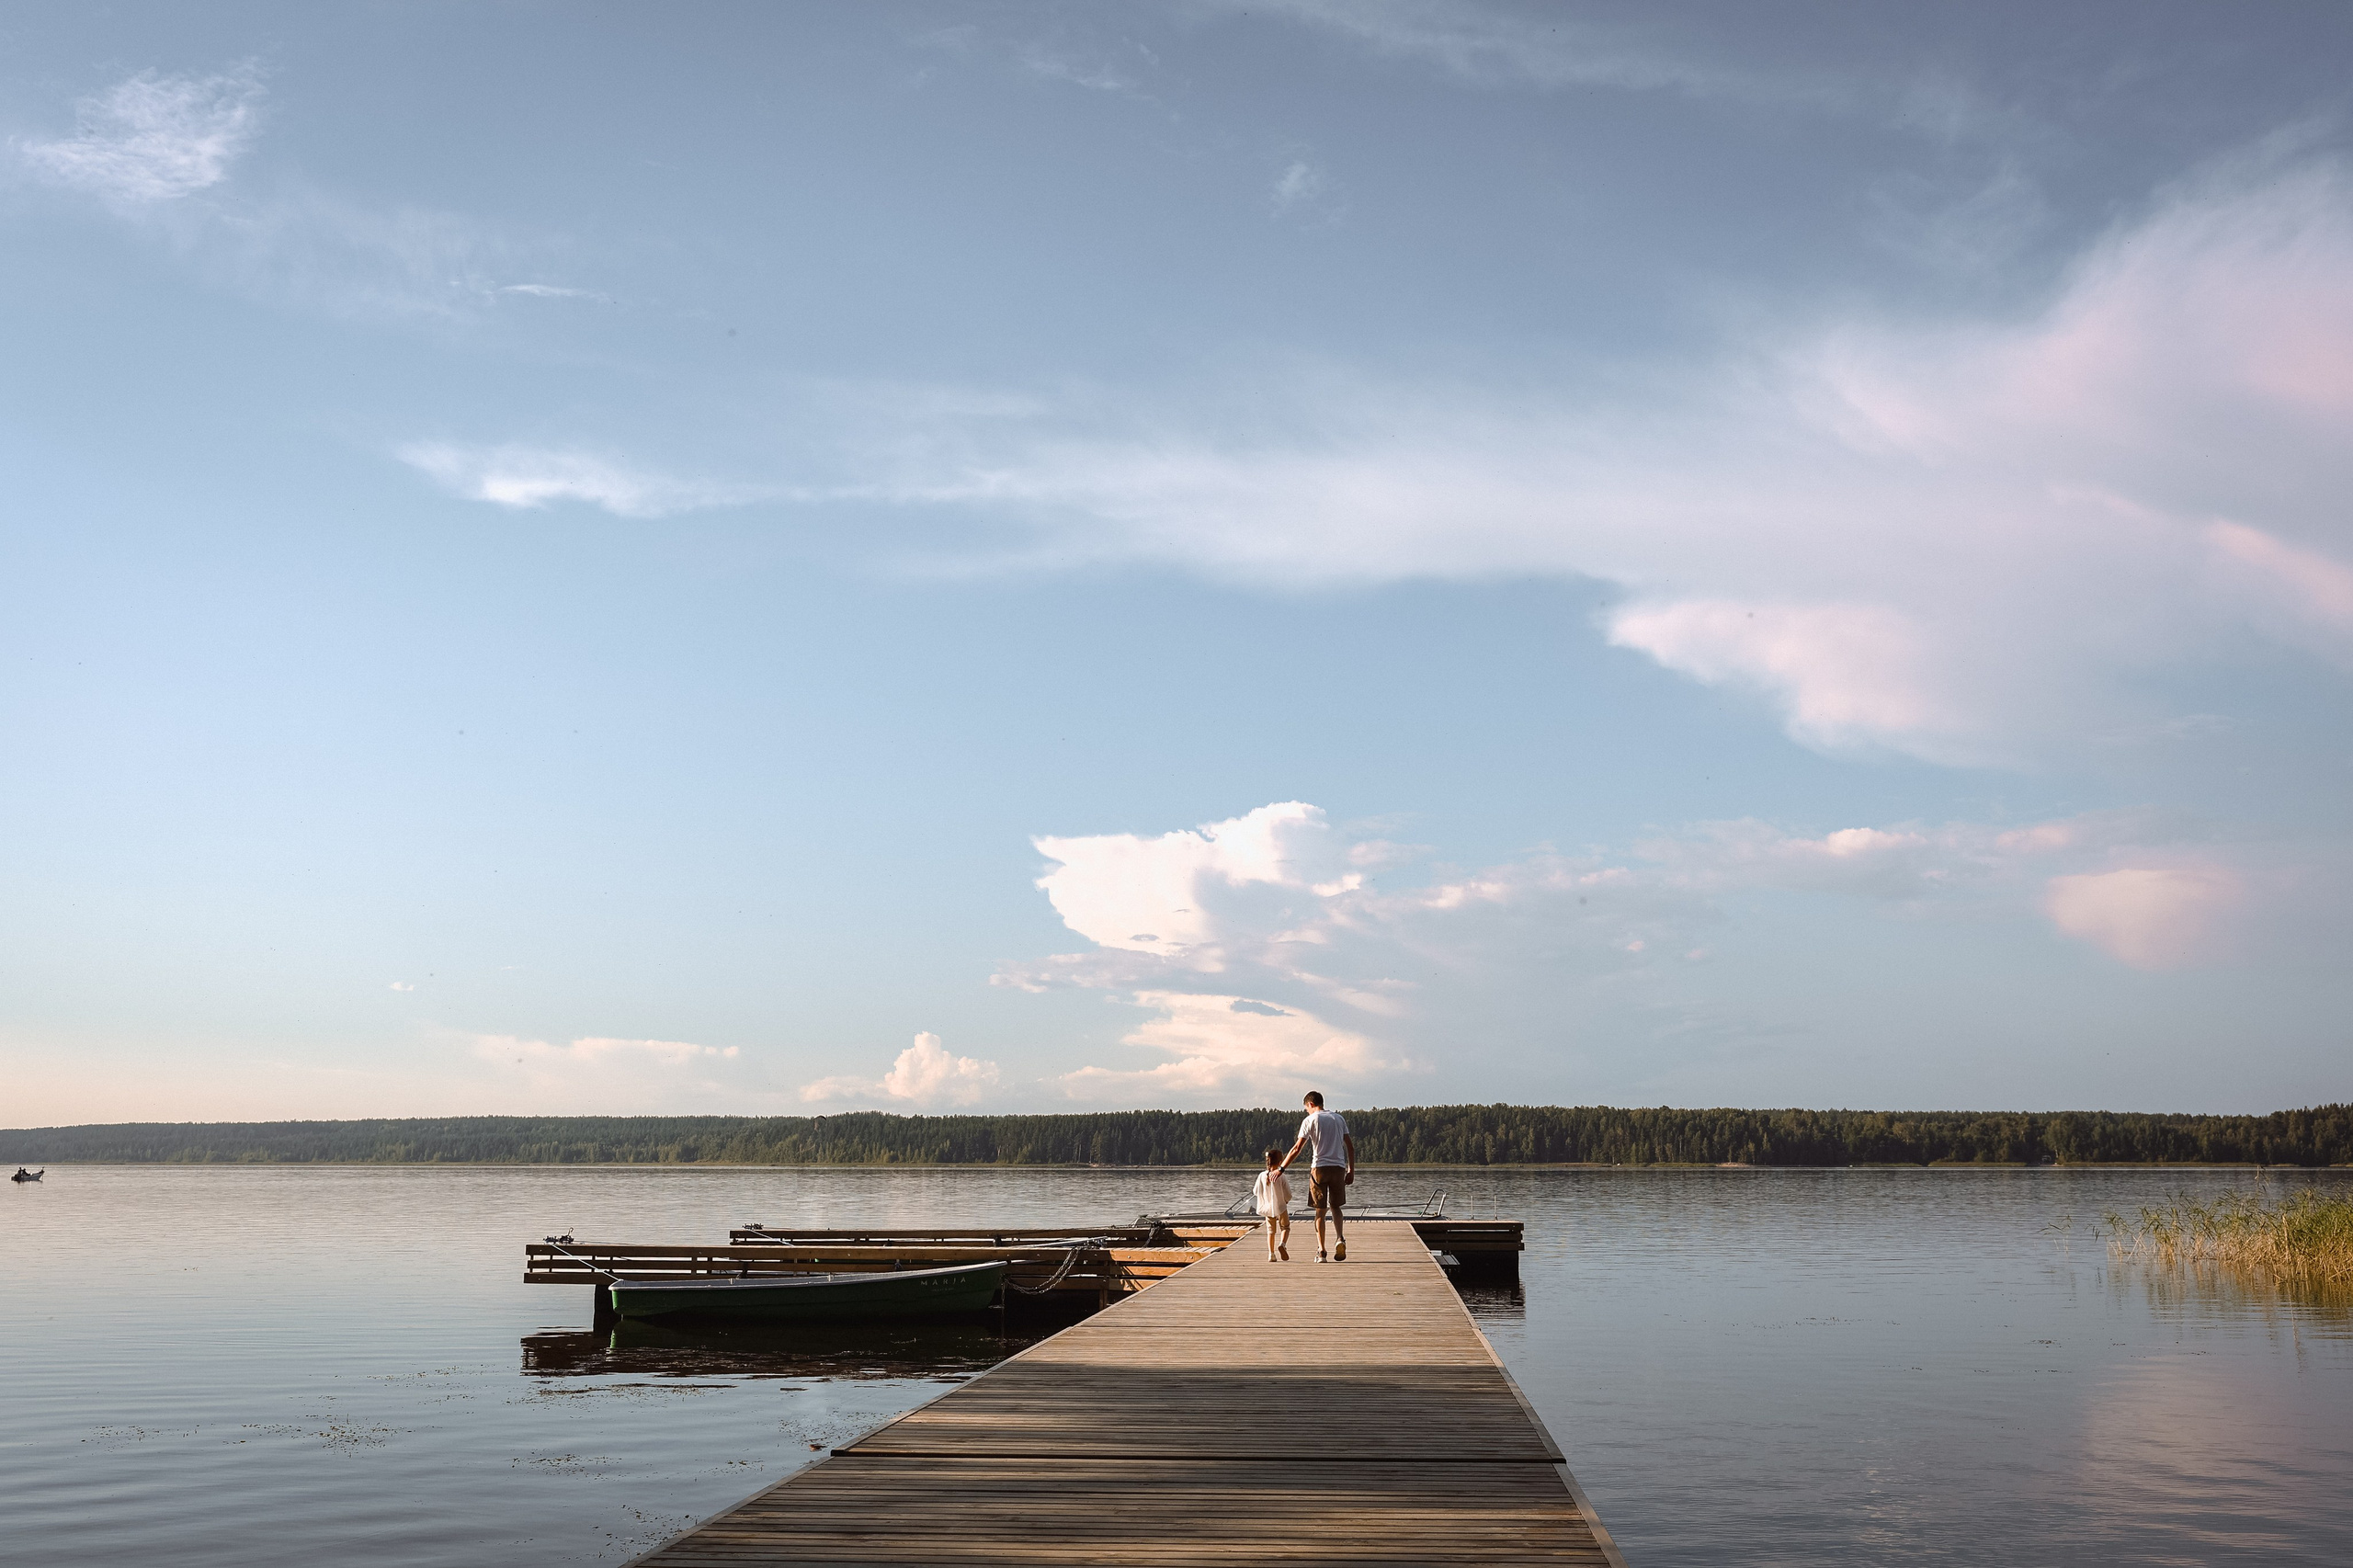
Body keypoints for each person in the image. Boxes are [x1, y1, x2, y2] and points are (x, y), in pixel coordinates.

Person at [1278, 1090, 1354, 1262]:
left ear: (1310, 1104)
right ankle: (1340, 1238)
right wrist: (1351, 1170)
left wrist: (1281, 1169)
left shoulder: (1310, 1120)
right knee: (1336, 1207)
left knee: (1320, 1211)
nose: (1307, 1111)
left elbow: (1297, 1148)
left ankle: (1321, 1251)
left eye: (1306, 1108)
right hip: (1338, 1167)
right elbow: (1350, 1147)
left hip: (1319, 1168)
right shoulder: (1339, 1118)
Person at [1251, 1147, 1292, 1262]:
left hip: (1268, 1208)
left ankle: (1271, 1254)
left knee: (1270, 1231)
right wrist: (1286, 1200)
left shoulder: (1262, 1176)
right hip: (1281, 1206)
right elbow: (1288, 1194)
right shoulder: (1281, 1176)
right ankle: (1283, 1244)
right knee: (1285, 1227)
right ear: (1280, 1163)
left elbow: (1255, 1191)